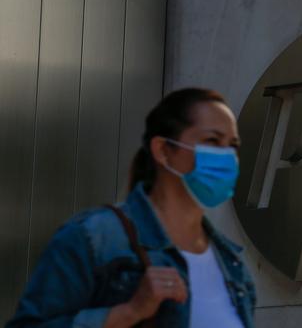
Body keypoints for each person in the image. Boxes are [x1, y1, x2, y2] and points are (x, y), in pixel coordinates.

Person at [7, 88, 256, 327]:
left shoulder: (231, 264)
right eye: (212, 140)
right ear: (162, 150)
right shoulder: (94, 238)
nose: (226, 156)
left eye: (232, 145)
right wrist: (129, 312)